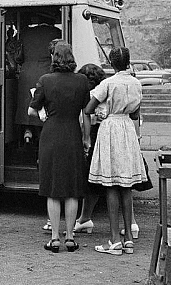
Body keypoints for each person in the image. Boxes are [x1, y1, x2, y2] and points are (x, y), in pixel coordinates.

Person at [28, 42, 90, 253]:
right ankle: (70, 237)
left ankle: (55, 238)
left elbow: (31, 111)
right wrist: (86, 137)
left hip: (51, 135)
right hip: (73, 133)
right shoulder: (82, 81)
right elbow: (86, 112)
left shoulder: (45, 81)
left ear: (54, 58)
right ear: (71, 58)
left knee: (53, 189)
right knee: (72, 189)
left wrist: (45, 116)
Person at [85, 47, 147, 255]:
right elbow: (136, 113)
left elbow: (88, 109)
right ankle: (128, 237)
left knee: (110, 183)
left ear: (111, 63)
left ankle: (113, 240)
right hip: (127, 129)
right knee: (126, 185)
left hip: (110, 129)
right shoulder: (136, 83)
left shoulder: (108, 84)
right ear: (128, 61)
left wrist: (103, 110)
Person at [15, 16, 61, 144]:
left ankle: (27, 130)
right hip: (45, 71)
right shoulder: (56, 32)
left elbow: (19, 57)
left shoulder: (26, 33)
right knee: (43, 104)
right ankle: (42, 136)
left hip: (27, 72)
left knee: (26, 102)